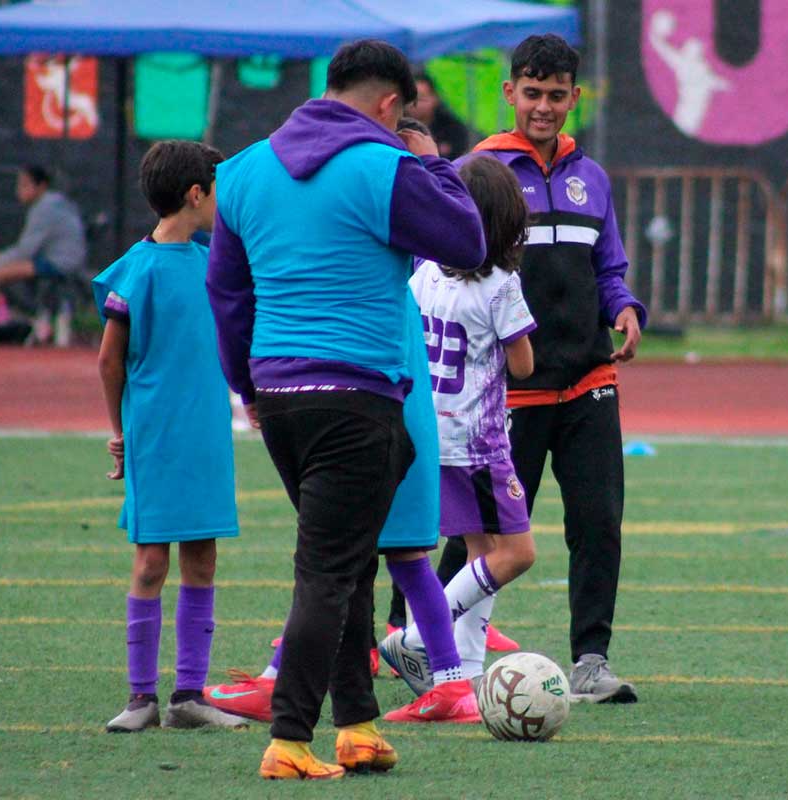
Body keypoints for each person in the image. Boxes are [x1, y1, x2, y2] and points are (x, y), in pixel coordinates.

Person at [205, 40, 485, 779]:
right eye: (408, 117)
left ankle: (357, 726)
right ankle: (290, 739)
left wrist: (247, 388)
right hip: (358, 393)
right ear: (392, 106)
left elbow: (228, 296)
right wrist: (427, 158)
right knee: (329, 571)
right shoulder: (385, 165)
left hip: (279, 392)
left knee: (351, 560)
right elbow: (468, 236)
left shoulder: (239, 172)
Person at [459, 34, 645, 704]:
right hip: (508, 391)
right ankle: (423, 643)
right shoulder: (477, 173)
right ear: (510, 93)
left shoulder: (589, 175)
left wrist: (624, 309)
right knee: (480, 534)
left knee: (598, 522)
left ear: (575, 96)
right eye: (531, 93)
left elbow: (609, 269)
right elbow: (454, 268)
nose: (544, 107)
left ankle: (591, 662)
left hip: (590, 384)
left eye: (557, 95)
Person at [93, 141, 246, 734]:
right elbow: (110, 362)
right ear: (195, 194)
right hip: (155, 433)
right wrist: (120, 431)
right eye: (218, 190)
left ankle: (187, 695)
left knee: (203, 556)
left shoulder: (216, 261)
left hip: (206, 431)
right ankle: (139, 698)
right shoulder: (137, 268)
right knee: (152, 560)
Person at [378, 155, 538, 706]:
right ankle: (418, 637)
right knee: (516, 553)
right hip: (478, 442)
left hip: (429, 432)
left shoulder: (424, 273)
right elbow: (523, 366)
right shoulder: (500, 284)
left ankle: (464, 675)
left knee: (480, 548)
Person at [0, 164, 86, 345]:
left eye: (24, 185)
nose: (19, 191)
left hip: (60, 263)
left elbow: (26, 250)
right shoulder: (50, 204)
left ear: (41, 187)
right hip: (54, 260)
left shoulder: (46, 207)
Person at [411, 70, 475, 159]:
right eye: (410, 98)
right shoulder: (396, 127)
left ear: (435, 98)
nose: (416, 104)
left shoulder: (452, 129)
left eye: (422, 99)